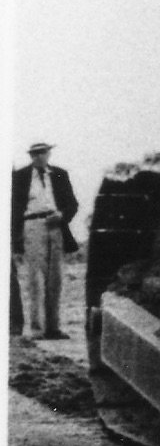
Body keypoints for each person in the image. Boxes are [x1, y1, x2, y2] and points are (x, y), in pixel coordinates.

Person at [11, 143, 79, 340]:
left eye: (42, 153)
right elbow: (13, 207)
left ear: (49, 154)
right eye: (35, 154)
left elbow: (72, 204)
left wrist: (62, 215)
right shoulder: (21, 176)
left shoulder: (60, 174)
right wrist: (16, 238)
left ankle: (53, 328)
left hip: (56, 226)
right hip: (32, 225)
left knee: (55, 278)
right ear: (31, 156)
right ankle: (37, 329)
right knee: (36, 278)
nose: (39, 157)